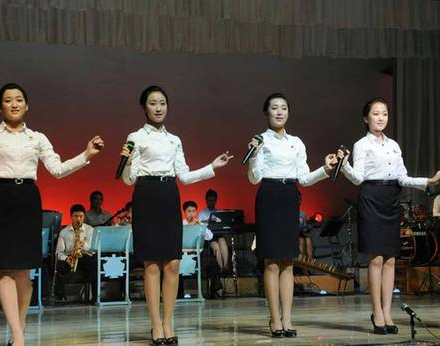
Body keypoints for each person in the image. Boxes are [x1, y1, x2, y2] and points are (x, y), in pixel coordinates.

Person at [0, 83, 104, 346]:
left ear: (27, 105)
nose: (14, 104)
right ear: (0, 107)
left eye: (19, 99)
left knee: (24, 271)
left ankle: (20, 328)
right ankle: (18, 336)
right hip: (0, 199)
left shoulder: (37, 138)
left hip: (28, 199)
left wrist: (86, 155)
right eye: (8, 100)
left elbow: (57, 169)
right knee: (4, 268)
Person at [120, 85, 233, 345]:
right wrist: (126, 161)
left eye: (162, 103)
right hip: (146, 194)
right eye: (152, 103)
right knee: (151, 264)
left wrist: (211, 167)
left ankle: (169, 322)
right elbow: (129, 180)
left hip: (169, 194)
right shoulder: (135, 137)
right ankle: (156, 325)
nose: (158, 108)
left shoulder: (175, 140)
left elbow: (183, 174)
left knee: (172, 263)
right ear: (144, 107)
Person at [338, 97, 440, 335]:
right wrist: (344, 165)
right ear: (366, 118)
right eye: (376, 114)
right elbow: (358, 178)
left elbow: (403, 178)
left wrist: (429, 180)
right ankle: (376, 312)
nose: (381, 118)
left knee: (391, 259)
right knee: (375, 259)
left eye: (384, 114)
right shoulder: (361, 144)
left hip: (390, 199)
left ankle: (387, 312)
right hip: (371, 197)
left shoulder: (394, 145)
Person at [247, 92, 340, 338]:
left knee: (288, 261)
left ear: (289, 112)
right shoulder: (260, 141)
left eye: (284, 108)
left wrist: (325, 169)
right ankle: (274, 319)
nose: (279, 112)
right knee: (271, 261)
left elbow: (305, 178)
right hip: (268, 195)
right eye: (274, 108)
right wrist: (254, 154)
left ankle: (287, 319)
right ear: (266, 113)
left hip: (290, 196)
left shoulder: (296, 142)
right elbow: (254, 178)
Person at [54, 204, 96, 303]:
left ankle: (94, 297)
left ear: (84, 217)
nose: (78, 219)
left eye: (81, 216)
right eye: (76, 216)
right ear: (71, 217)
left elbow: (93, 249)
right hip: (71, 257)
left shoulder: (90, 230)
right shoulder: (64, 232)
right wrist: (66, 258)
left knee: (94, 265)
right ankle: (60, 296)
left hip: (85, 256)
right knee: (61, 266)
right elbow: (59, 252)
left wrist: (83, 245)